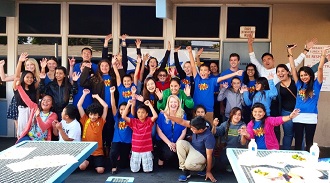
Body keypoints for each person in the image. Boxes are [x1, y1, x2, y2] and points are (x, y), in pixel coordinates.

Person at [288, 45, 329, 151]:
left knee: (309, 142)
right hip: (298, 115)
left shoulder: (317, 84)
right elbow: (293, 68)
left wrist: (323, 54)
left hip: (311, 116)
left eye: (305, 75)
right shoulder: (298, 84)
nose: (303, 77)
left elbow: (320, 68)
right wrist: (289, 52)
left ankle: (309, 161)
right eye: (301, 75)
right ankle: (297, 161)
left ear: (310, 75)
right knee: (298, 141)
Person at [187, 46, 243, 123]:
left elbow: (223, 77)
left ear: (209, 72)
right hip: (197, 109)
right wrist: (190, 52)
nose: (203, 72)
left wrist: (235, 73)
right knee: (196, 127)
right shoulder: (197, 79)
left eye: (205, 70)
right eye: (201, 70)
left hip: (209, 109)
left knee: (209, 128)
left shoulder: (212, 81)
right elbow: (193, 66)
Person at [162, 114, 217, 182]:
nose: (191, 129)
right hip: (192, 148)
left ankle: (203, 167)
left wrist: (208, 171)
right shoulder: (196, 124)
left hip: (201, 155)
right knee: (180, 143)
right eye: (191, 127)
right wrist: (169, 117)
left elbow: (209, 155)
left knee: (188, 164)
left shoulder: (209, 137)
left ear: (201, 130)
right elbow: (182, 121)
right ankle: (185, 171)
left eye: (193, 129)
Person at [15, 78, 57, 143]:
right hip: (29, 138)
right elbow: (26, 99)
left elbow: (44, 127)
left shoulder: (53, 115)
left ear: (52, 104)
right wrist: (19, 87)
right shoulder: (35, 107)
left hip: (41, 142)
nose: (45, 102)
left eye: (48, 101)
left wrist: (38, 117)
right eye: (44, 100)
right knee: (19, 146)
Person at [122, 100, 158, 173]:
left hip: (147, 149)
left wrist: (150, 105)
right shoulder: (134, 121)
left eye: (143, 112)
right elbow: (123, 116)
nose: (140, 114)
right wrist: (128, 104)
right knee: (134, 170)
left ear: (147, 114)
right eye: (138, 112)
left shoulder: (148, 121)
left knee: (148, 170)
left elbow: (155, 116)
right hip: (136, 149)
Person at [78, 89, 108, 174]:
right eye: (91, 114)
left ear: (98, 114)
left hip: (98, 151)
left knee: (100, 170)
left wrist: (97, 97)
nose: (93, 116)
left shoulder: (101, 121)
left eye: (95, 114)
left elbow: (105, 106)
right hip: (87, 150)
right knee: (82, 167)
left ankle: (96, 163)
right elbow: (79, 105)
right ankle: (89, 163)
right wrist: (84, 94)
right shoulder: (85, 120)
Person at [156, 95, 187, 168]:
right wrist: (169, 143)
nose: (173, 104)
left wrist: (177, 144)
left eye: (175, 102)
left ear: (178, 104)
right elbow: (159, 131)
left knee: (176, 163)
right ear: (168, 104)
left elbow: (184, 131)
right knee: (168, 153)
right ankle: (161, 159)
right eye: (171, 102)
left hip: (177, 141)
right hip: (165, 141)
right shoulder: (162, 115)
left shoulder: (183, 115)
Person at [109, 86, 135, 174]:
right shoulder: (117, 118)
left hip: (127, 142)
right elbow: (113, 105)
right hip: (117, 140)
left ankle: (124, 159)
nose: (122, 111)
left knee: (124, 164)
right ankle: (113, 167)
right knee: (113, 153)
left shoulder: (130, 117)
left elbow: (132, 105)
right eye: (121, 109)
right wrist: (112, 93)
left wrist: (133, 95)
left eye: (124, 109)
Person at [213, 107, 247, 172]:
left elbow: (243, 143)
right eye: (235, 114)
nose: (237, 116)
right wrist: (214, 126)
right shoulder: (225, 124)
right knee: (223, 160)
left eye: (239, 115)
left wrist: (243, 134)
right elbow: (216, 133)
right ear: (231, 115)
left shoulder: (242, 125)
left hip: (238, 150)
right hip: (227, 150)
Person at [275, 64, 297, 150]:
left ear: (288, 72)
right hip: (286, 112)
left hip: (298, 113)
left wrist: (324, 60)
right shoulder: (277, 86)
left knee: (299, 135)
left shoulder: (295, 82)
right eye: (278, 71)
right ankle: (285, 154)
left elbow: (311, 70)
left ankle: (302, 154)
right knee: (288, 134)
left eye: (282, 71)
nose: (280, 73)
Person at [14, 71, 38, 138]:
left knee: (31, 131)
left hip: (32, 111)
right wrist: (20, 61)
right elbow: (16, 76)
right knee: (22, 131)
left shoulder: (32, 89)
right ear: (22, 77)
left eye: (31, 77)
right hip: (23, 110)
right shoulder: (18, 86)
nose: (29, 79)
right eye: (27, 77)